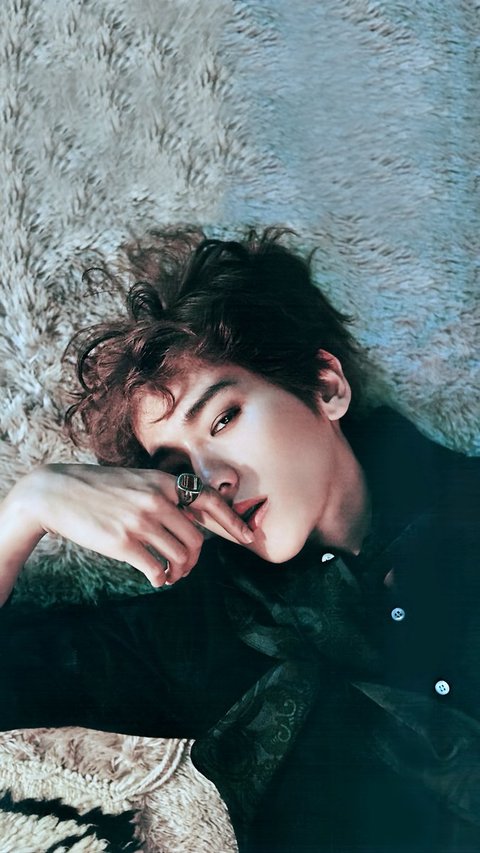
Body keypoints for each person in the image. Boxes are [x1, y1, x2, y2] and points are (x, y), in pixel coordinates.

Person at [0, 229, 479, 852]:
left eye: (223, 418)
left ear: (325, 386)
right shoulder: (194, 637)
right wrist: (29, 506)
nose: (212, 477)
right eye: (178, 468)